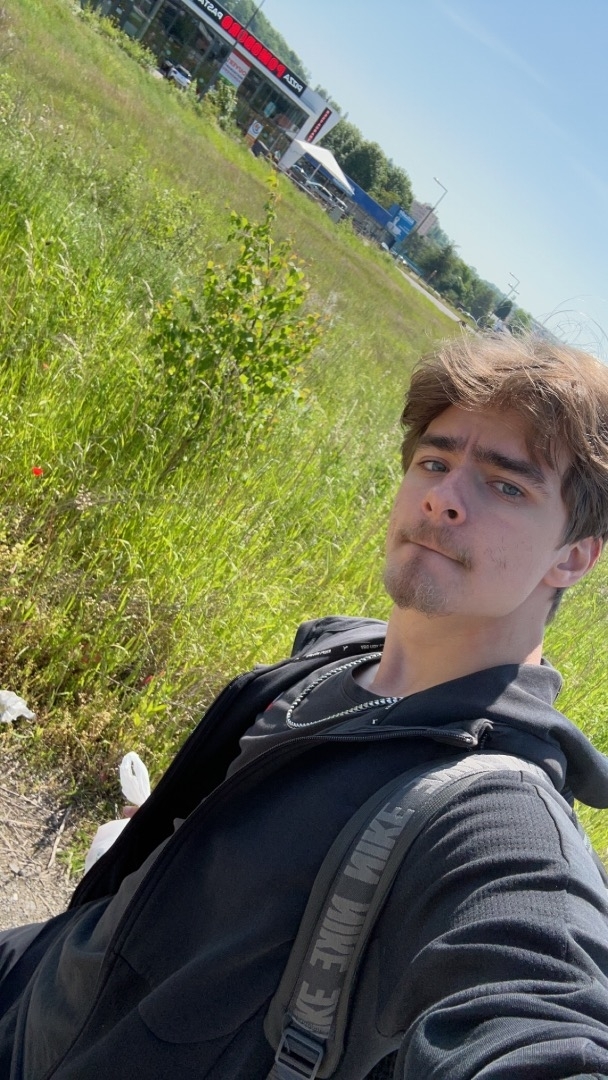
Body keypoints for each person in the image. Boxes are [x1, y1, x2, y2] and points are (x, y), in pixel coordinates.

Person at [2, 332, 608, 1079]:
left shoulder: (495, 815)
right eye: (435, 461)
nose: (443, 498)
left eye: (506, 486)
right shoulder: (339, 651)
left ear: (574, 555)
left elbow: (539, 1010)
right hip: (38, 978)